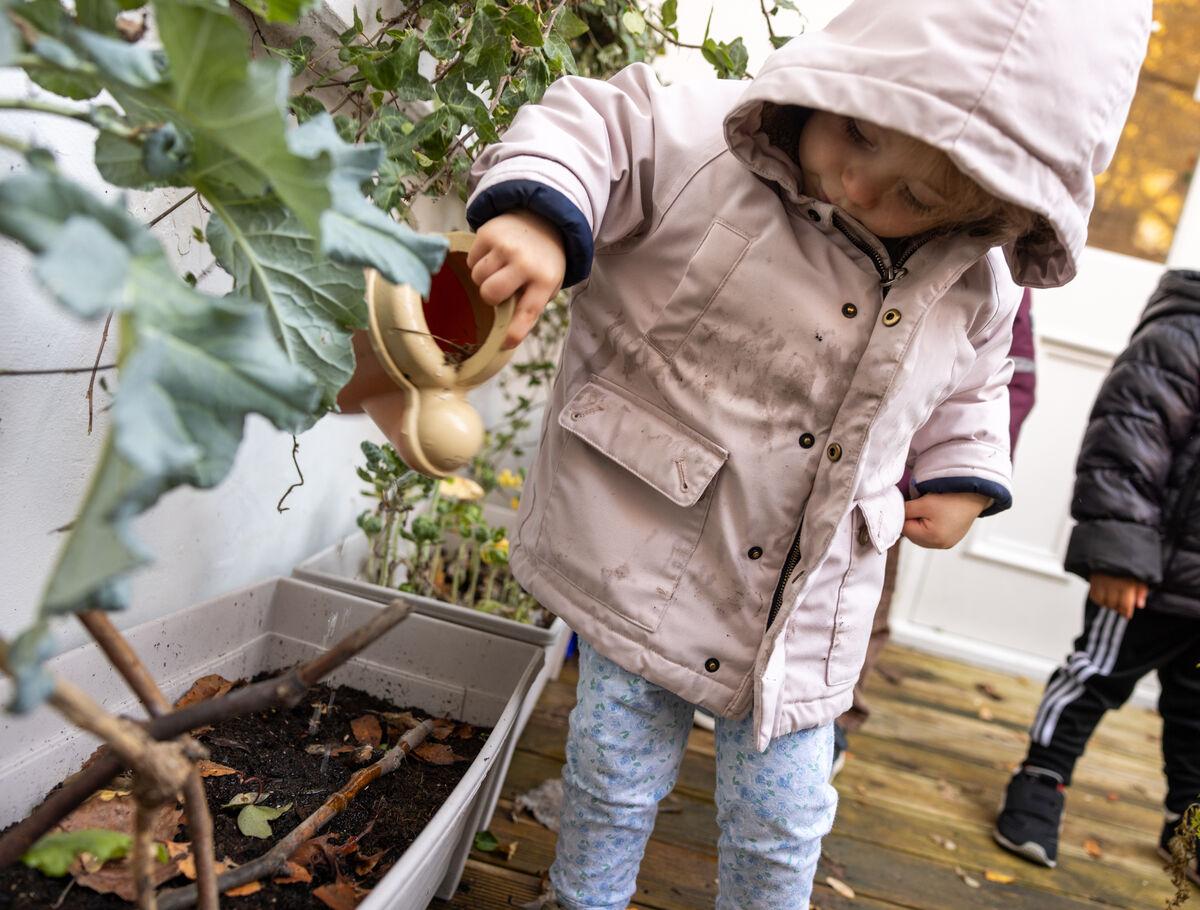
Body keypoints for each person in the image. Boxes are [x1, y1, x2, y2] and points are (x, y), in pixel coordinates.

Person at [460, 2, 1149, 907]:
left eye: (919, 198)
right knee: (613, 768)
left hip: (813, 595)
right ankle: (583, 896)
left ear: (997, 209)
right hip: (653, 546)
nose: (863, 188)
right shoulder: (709, 149)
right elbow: (601, 125)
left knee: (786, 814)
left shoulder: (976, 285)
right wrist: (538, 215)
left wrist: (962, 469)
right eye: (857, 133)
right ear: (837, 80)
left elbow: (977, 381)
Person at [994, 269, 1200, 884]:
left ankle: (1186, 822)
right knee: (1095, 678)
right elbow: (1127, 439)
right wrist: (1119, 553)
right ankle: (1041, 780)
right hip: (1151, 575)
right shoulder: (1186, 332)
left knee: (1197, 712)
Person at [832, 289, 1038, 776]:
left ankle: (837, 713)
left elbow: (1006, 382)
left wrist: (958, 480)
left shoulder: (1001, 271)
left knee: (859, 604)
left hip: (884, 482)